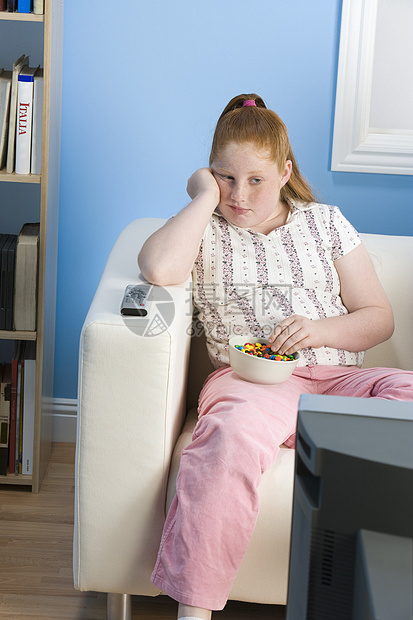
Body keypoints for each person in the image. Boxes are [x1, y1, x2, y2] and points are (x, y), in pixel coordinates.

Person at [138, 94, 413, 620]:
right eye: (225, 178)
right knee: (231, 435)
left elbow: (378, 316)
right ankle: (194, 609)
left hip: (336, 381)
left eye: (256, 180)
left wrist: (317, 330)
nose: (239, 195)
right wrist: (200, 197)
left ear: (285, 172)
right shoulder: (206, 226)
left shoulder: (326, 223)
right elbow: (156, 268)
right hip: (251, 385)